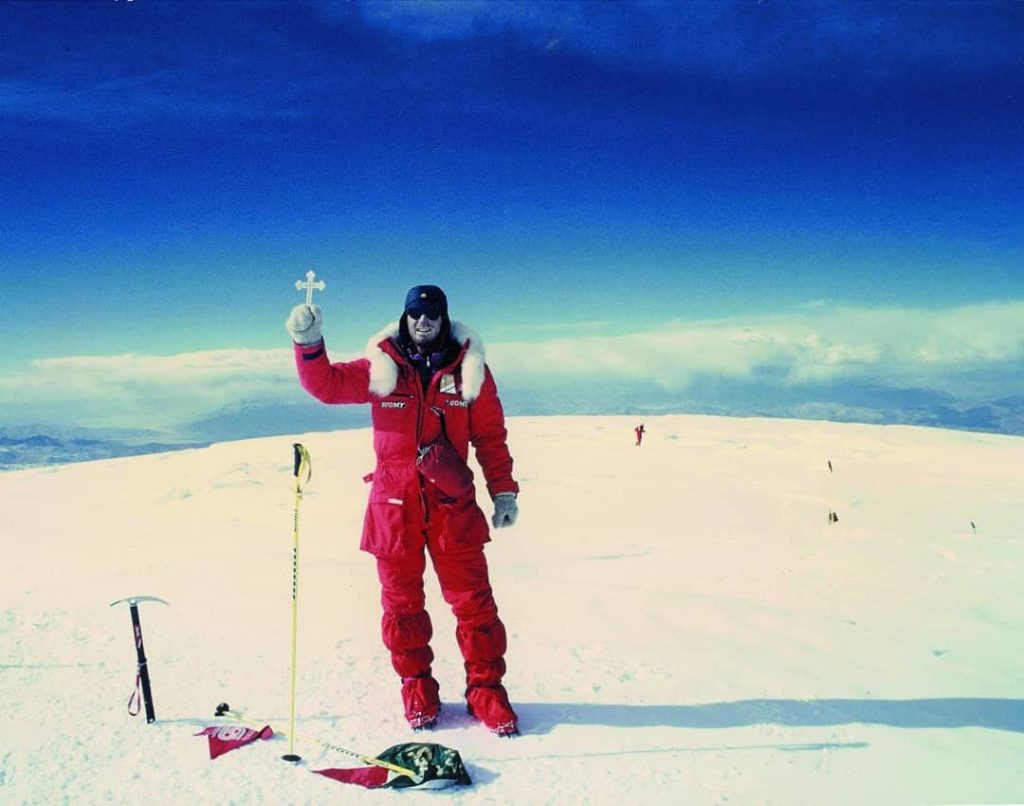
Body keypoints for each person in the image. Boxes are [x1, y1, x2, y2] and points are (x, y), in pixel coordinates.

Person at [285, 284, 521, 736]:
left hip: (453, 507)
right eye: (415, 314)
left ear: (444, 319)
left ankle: (486, 690)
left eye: (431, 314)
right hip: (395, 509)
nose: (423, 322)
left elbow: (490, 436)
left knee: (475, 605)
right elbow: (326, 385)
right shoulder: (383, 368)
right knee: (402, 607)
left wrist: (504, 491)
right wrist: (309, 344)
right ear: (405, 319)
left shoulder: (470, 373)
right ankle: (417, 687)